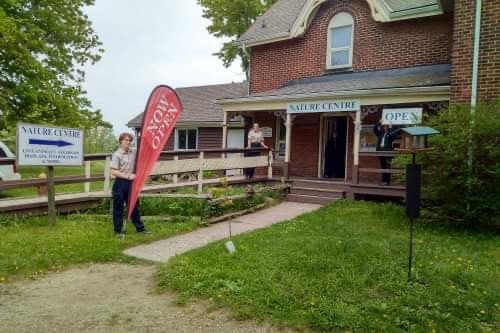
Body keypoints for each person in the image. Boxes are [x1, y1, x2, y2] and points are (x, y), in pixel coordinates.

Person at [110, 132, 149, 235]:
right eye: (126, 140)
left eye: (130, 140)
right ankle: (118, 231)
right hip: (120, 183)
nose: (128, 142)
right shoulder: (116, 155)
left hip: (131, 184)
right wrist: (127, 176)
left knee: (134, 206)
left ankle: (140, 229)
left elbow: (143, 148)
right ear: (120, 141)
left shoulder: (133, 152)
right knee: (119, 207)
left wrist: (143, 136)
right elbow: (114, 172)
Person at [373, 120, 400, 185]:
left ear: (388, 127)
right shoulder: (381, 134)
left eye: (386, 126)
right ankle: (383, 181)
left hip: (387, 153)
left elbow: (395, 135)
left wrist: (391, 128)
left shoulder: (390, 134)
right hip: (381, 152)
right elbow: (374, 129)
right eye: (384, 126)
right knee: (383, 167)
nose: (385, 127)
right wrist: (378, 123)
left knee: (387, 167)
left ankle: (387, 182)